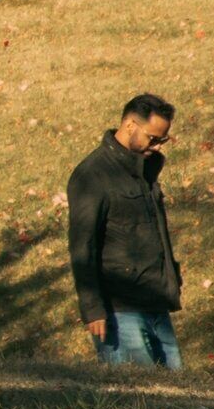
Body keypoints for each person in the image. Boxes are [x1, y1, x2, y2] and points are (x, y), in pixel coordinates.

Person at [69, 92, 184, 370]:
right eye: (152, 138)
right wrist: (93, 309)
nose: (156, 147)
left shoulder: (145, 170)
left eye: (162, 140)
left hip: (156, 301)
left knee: (180, 394)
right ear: (130, 125)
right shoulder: (92, 175)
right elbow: (83, 246)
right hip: (119, 311)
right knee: (139, 397)